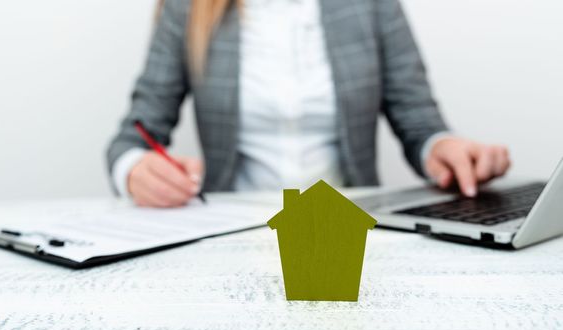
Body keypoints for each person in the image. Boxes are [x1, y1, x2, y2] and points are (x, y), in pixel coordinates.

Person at [107, 0, 510, 208]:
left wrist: (442, 148)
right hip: (232, 232)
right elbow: (132, 138)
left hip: (350, 229)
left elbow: (419, 122)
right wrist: (135, 171)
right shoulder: (189, 8)